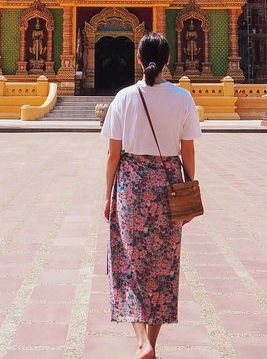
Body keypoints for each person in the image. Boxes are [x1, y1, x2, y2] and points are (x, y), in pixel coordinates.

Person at [101, 32, 201, 359]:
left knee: (129, 260)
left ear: (138, 59)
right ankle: (152, 345)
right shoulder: (182, 98)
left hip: (130, 184)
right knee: (163, 265)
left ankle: (142, 341)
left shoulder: (124, 97)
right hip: (168, 183)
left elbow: (113, 155)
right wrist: (190, 190)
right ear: (168, 60)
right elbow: (188, 151)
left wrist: (108, 195)